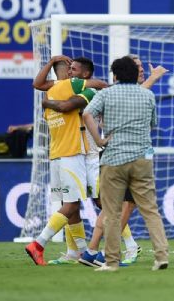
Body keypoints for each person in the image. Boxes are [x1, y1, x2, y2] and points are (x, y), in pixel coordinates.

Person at [82, 56, 169, 272]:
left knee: (112, 213)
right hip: (141, 158)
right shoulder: (147, 95)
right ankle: (161, 256)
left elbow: (86, 114)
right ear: (135, 73)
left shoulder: (106, 94)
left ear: (115, 75)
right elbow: (153, 124)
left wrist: (100, 140)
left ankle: (111, 262)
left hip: (113, 158)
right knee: (150, 210)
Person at [25, 56, 107, 266]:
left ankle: (79, 252)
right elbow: (97, 86)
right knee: (76, 204)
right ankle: (39, 244)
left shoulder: (50, 92)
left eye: (74, 69)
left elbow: (39, 85)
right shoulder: (72, 87)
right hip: (74, 154)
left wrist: (52, 63)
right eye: (69, 68)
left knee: (75, 203)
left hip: (58, 155)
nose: (70, 72)